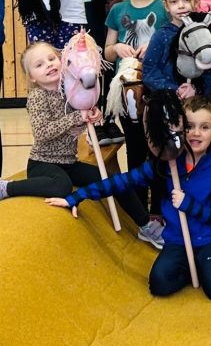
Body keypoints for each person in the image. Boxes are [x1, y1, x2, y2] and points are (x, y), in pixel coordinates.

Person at [45, 97, 211, 299]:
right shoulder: (166, 164)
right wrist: (77, 197)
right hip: (178, 242)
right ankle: (195, 268)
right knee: (159, 284)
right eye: (189, 126)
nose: (196, 133)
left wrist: (190, 205)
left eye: (205, 127)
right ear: (178, 129)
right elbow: (122, 182)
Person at [0, 42, 162, 249]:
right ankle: (7, 188)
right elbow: (42, 133)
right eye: (39, 65)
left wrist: (93, 115)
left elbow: (83, 114)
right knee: (62, 186)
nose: (49, 65)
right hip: (43, 163)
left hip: (69, 162)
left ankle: (145, 225)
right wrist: (77, 117)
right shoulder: (37, 97)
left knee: (114, 180)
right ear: (32, 76)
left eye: (51, 59)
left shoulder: (69, 90)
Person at [104, 0, 168, 215]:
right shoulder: (118, 9)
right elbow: (107, 50)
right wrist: (117, 47)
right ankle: (140, 209)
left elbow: (173, 45)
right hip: (127, 91)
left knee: (159, 149)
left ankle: (160, 209)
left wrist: (153, 46)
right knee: (135, 149)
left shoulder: (163, 8)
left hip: (157, 88)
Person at [142, 0, 211, 101]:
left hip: (200, 102)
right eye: (174, 1)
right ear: (166, 6)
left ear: (197, 2)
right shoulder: (161, 35)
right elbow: (149, 71)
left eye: (187, 0)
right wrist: (175, 89)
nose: (181, 6)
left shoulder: (206, 32)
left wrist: (196, 89)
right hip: (169, 102)